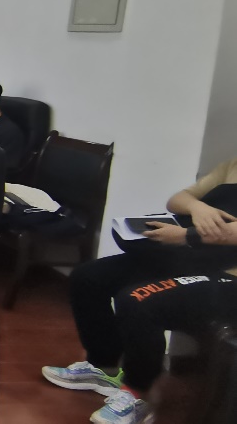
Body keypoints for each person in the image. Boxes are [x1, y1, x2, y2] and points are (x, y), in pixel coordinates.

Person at [43, 158, 237, 424]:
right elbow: (178, 200)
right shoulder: (232, 165)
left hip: (228, 276)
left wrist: (186, 235)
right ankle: (104, 367)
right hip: (192, 257)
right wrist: (199, 208)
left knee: (137, 300)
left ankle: (138, 392)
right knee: (88, 277)